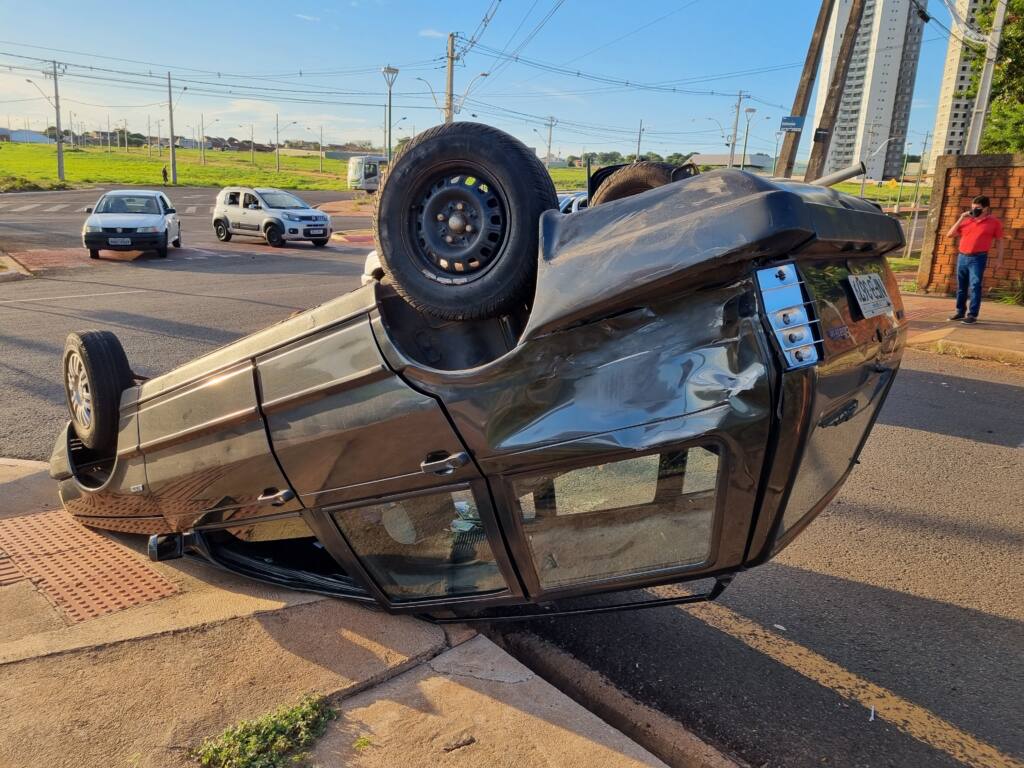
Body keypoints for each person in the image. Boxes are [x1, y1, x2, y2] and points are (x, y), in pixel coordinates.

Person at [945, 194, 1004, 323]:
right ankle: (960, 312)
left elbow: (1000, 241)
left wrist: (999, 259)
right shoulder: (968, 220)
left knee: (975, 286)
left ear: (986, 208)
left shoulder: (994, 222)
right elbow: (950, 234)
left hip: (978, 258)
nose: (974, 210)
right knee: (961, 286)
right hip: (962, 257)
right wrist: (961, 218)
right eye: (973, 208)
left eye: (977, 208)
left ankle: (972, 315)